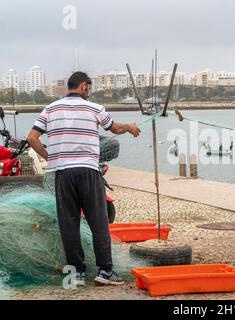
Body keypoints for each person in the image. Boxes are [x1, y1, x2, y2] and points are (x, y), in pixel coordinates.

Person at [27, 71, 141, 286]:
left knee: (68, 224)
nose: (89, 91)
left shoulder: (50, 108)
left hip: (63, 173)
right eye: (89, 87)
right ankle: (105, 271)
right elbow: (114, 128)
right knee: (98, 222)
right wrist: (130, 127)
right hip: (88, 171)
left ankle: (76, 274)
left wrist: (50, 157)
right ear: (82, 86)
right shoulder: (94, 108)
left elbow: (32, 138)